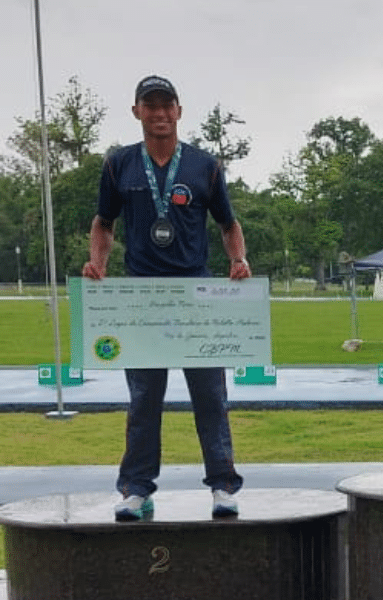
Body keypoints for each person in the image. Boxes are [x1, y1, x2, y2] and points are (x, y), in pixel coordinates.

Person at [82, 75, 249, 521]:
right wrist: (97, 262)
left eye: (166, 104)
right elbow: (103, 221)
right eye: (149, 105)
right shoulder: (119, 164)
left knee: (211, 397)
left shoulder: (203, 165)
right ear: (136, 111)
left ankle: (223, 486)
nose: (159, 113)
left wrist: (238, 260)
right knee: (143, 401)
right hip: (142, 299)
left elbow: (228, 224)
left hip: (195, 296)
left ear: (179, 110)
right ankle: (136, 490)